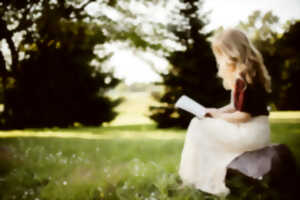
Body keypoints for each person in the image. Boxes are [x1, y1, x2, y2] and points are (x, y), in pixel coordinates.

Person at [178, 28, 272, 197]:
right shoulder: (248, 72)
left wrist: (217, 116)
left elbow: (243, 116)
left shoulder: (243, 76)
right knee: (201, 125)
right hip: (259, 130)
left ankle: (194, 180)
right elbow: (235, 105)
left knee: (198, 126)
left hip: (250, 132)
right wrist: (214, 111)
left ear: (232, 52)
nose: (219, 59)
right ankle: (202, 178)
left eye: (220, 54)